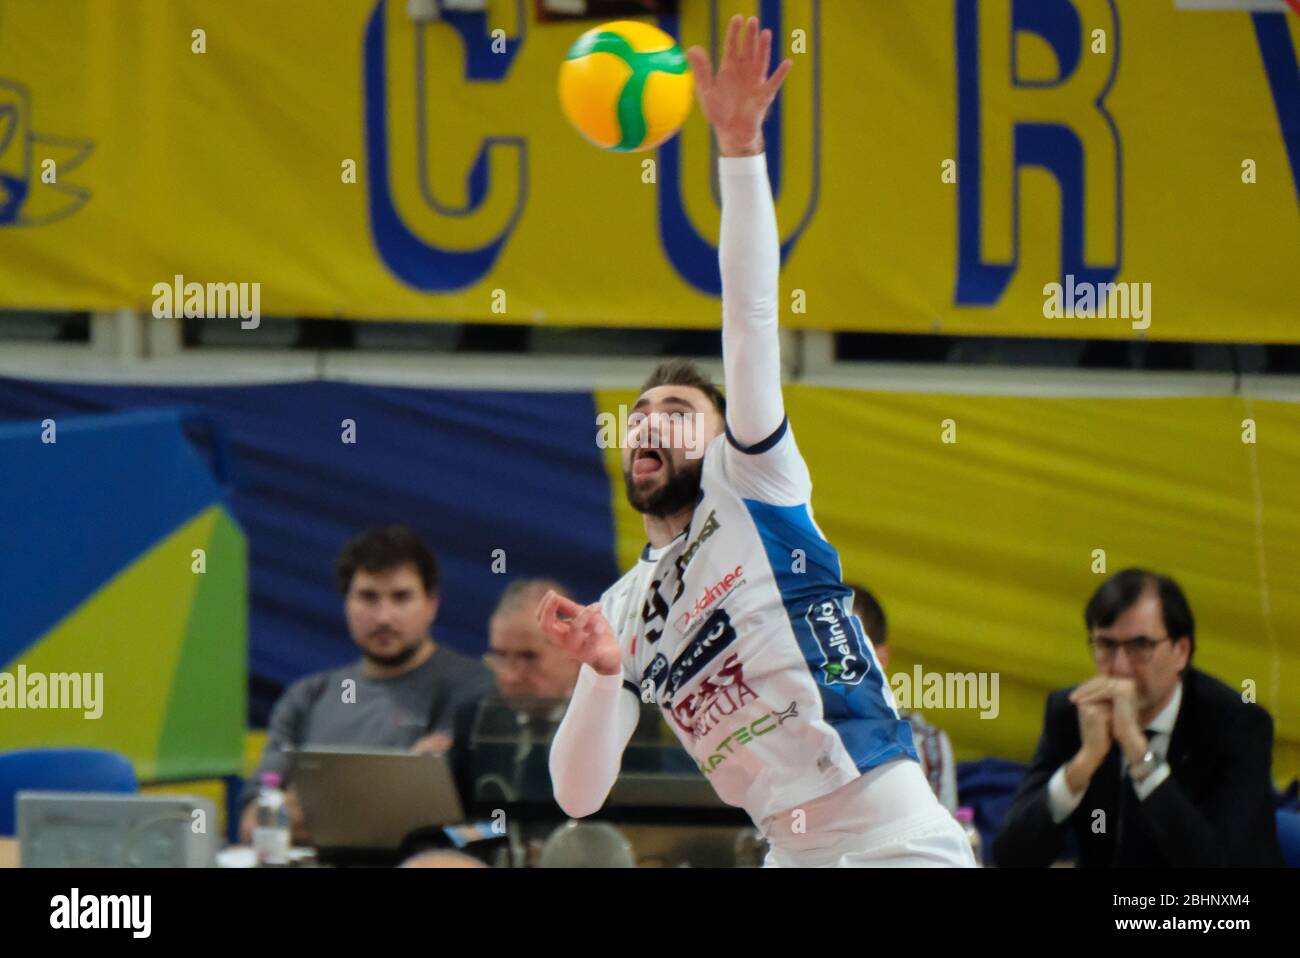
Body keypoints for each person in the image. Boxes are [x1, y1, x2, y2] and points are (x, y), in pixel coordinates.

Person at [537, 16, 974, 868]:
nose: (649, 423)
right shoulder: (624, 609)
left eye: (676, 409)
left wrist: (738, 149)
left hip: (897, 844)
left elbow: (750, 317)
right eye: (639, 413)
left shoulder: (754, 480)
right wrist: (598, 669)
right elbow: (576, 796)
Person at [993, 568, 1284, 867]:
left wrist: (1139, 754)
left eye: (1140, 646)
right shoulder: (1073, 713)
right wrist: (1083, 764)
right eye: (1106, 645)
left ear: (1181, 651)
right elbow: (1010, 857)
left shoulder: (1237, 726)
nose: (1120, 667)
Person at [239, 525, 492, 844]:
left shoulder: (475, 690)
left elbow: (466, 826)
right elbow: (254, 824)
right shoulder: (306, 698)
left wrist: (314, 811)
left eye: (401, 597)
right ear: (346, 602)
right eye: (368, 597)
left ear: (432, 604)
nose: (384, 617)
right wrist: (397, 793)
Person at [847, 583, 958, 815]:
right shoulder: (789, 728)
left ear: (881, 658)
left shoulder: (926, 746)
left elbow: (934, 846)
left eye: (849, 649)